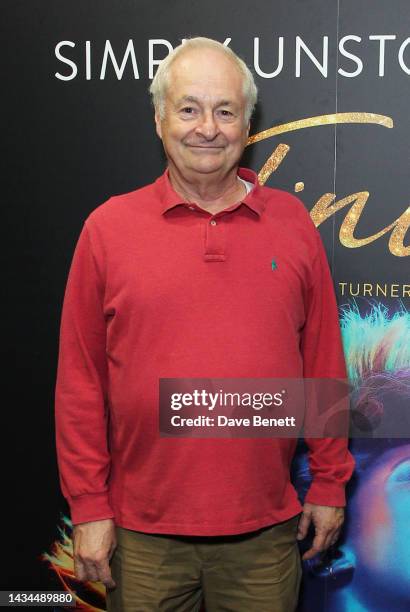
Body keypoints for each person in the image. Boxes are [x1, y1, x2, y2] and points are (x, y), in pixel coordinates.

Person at [54, 37, 355, 611]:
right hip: (141, 539)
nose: (207, 128)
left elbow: (321, 362)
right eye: (189, 109)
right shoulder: (108, 229)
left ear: (248, 122)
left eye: (225, 111)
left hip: (267, 535)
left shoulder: (292, 225)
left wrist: (329, 480)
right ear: (160, 118)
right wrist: (89, 504)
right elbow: (81, 382)